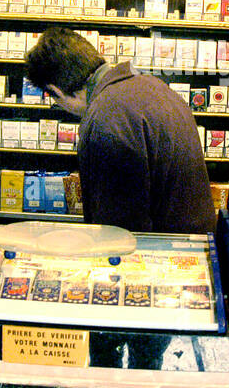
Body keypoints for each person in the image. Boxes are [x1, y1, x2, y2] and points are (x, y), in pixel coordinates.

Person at [24, 27, 216, 234]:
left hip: (158, 252)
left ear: (56, 90)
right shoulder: (154, 86)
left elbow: (117, 225)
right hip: (192, 245)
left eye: (56, 101)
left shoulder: (106, 115)